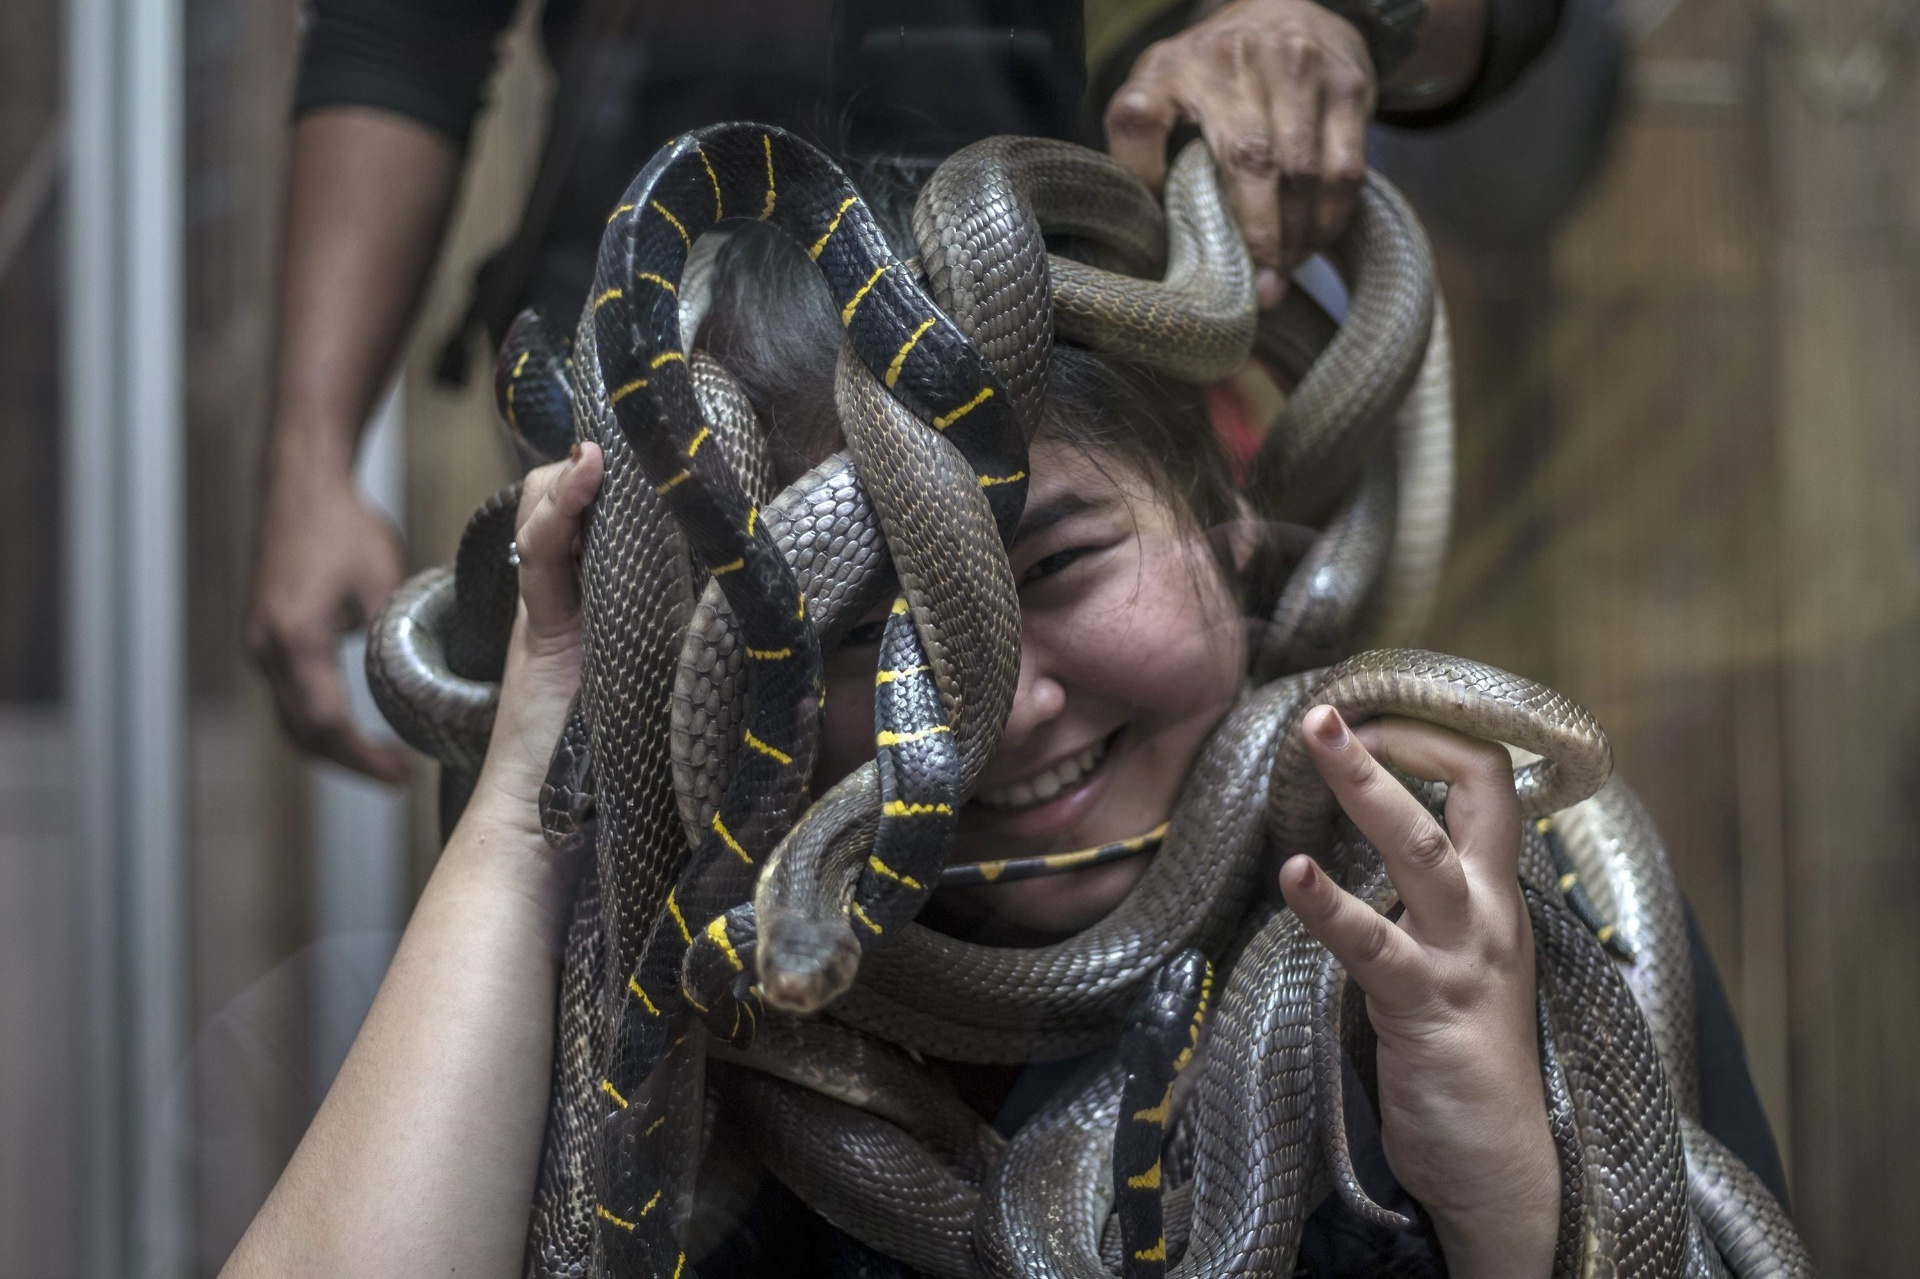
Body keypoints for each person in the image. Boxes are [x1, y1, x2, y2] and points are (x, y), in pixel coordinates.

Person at [220, 221, 1783, 1279]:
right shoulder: (656, 979)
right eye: (847, 637)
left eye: (1053, 571)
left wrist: (1502, 1172)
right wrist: (534, 794)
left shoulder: (1472, 919)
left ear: (1229, 522)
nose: (1000, 703)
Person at [249, 0, 1570, 783]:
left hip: (1047, 373)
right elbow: (399, 31)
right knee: (636, 898)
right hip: (648, 411)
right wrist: (313, 456)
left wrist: (1335, 13)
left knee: (1115, 802)